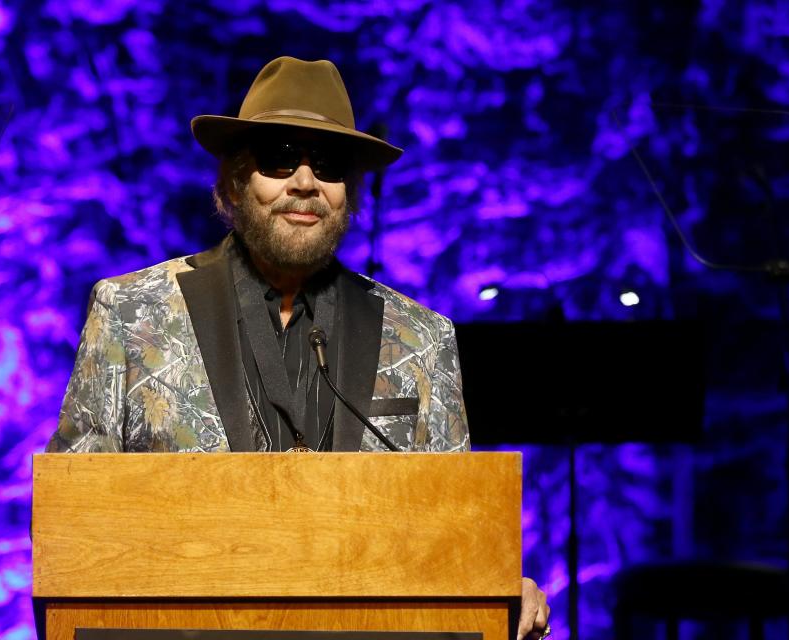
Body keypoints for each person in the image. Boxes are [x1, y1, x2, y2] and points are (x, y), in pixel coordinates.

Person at [46, 55, 549, 639]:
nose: (305, 182)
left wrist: (501, 579)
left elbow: (458, 525)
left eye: (328, 166)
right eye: (280, 159)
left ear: (348, 194)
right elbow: (70, 516)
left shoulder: (421, 337)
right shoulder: (131, 314)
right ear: (236, 182)